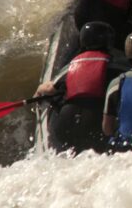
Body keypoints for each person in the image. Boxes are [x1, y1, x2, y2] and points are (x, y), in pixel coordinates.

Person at [34, 21, 115, 154]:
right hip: (95, 124)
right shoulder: (113, 67)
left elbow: (47, 89)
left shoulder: (72, 66)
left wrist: (37, 93)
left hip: (64, 124)